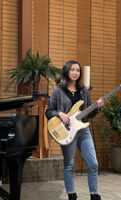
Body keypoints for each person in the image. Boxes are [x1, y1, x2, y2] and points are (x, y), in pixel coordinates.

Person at [46, 60, 104, 200]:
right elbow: (49, 111)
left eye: (78, 70)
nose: (75, 73)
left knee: (93, 163)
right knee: (70, 165)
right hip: (66, 131)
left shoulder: (84, 91)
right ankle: (71, 194)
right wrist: (59, 114)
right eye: (72, 70)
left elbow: (89, 114)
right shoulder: (58, 91)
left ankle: (94, 195)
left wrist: (97, 107)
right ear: (67, 71)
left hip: (83, 130)